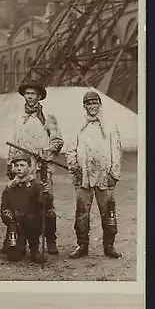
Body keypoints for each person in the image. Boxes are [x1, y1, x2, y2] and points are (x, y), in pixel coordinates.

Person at [6, 78, 64, 255]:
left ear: (39, 96)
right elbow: (13, 143)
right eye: (27, 94)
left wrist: (45, 153)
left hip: (41, 169)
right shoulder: (19, 119)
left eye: (33, 94)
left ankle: (50, 240)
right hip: (22, 169)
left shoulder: (48, 118)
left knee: (46, 203)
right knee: (20, 204)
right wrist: (11, 166)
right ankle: (16, 239)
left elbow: (57, 142)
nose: (30, 97)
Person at [66, 90, 123, 259]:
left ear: (100, 104)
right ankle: (82, 245)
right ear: (84, 106)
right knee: (81, 212)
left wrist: (114, 173)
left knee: (108, 211)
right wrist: (74, 167)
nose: (92, 106)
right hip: (83, 176)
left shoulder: (110, 125)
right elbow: (70, 149)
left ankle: (109, 246)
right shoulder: (78, 126)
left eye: (95, 103)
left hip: (105, 176)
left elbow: (117, 150)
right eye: (89, 104)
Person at [0, 153, 48, 264]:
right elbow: (4, 207)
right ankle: (14, 243)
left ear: (30, 167)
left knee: (32, 221)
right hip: (15, 224)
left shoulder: (36, 185)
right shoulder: (10, 187)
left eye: (22, 165)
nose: (19, 168)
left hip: (32, 222)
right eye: (16, 166)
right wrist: (9, 217)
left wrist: (46, 195)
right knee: (14, 257)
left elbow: (44, 204)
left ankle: (34, 247)